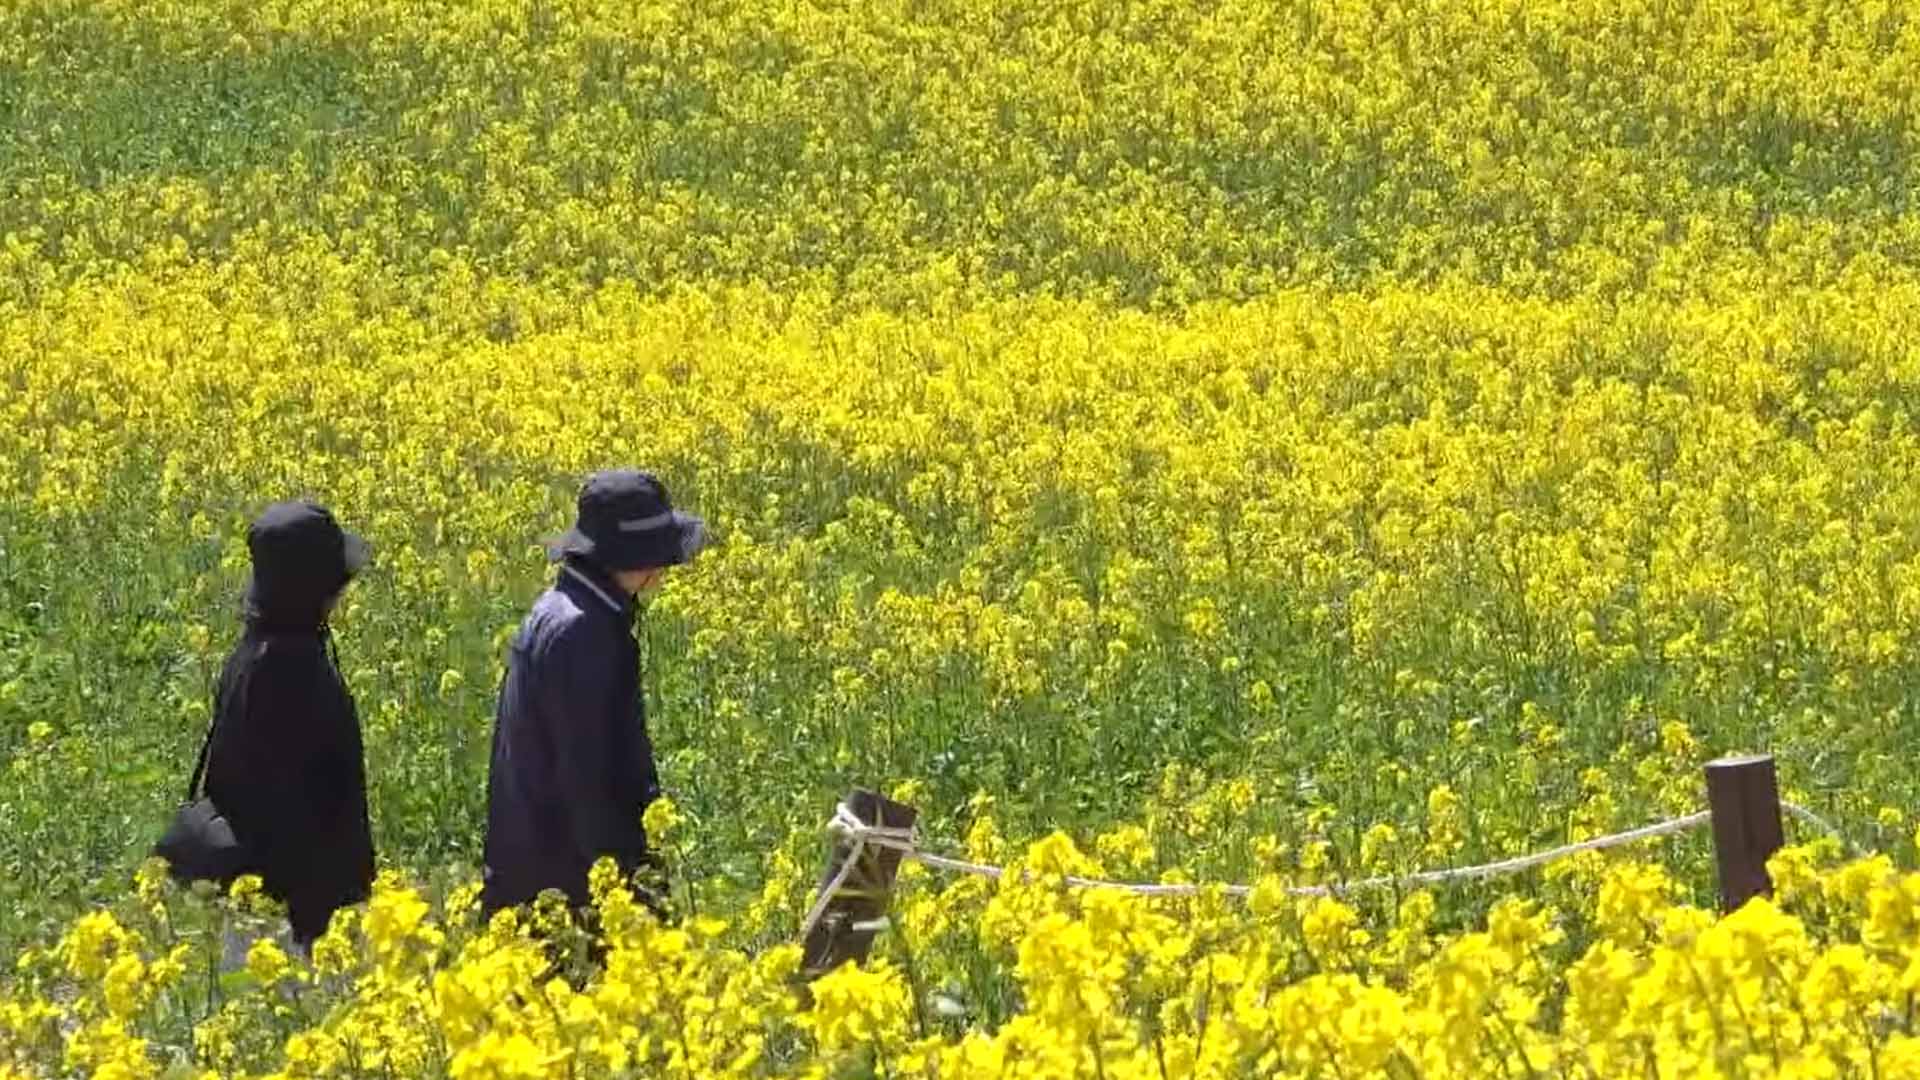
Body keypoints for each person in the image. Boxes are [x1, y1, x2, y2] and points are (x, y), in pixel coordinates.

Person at [481, 469, 707, 918]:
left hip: (531, 871)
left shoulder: (562, 607)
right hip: (569, 890)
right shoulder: (586, 632)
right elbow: (590, 779)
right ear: (642, 560)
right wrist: (633, 894)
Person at [203, 499, 376, 949]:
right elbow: (296, 808)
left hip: (258, 903)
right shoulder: (290, 667)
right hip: (288, 917)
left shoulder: (255, 650)